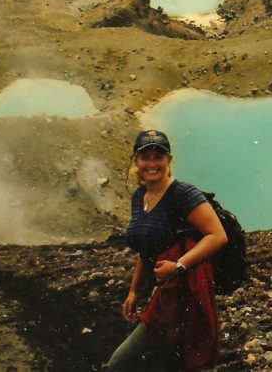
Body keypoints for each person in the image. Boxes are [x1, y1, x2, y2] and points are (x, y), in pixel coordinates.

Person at [106, 130, 228, 371]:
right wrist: (134, 292)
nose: (152, 164)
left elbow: (217, 235)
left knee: (121, 363)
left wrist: (178, 266)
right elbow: (146, 249)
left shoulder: (183, 195)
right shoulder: (139, 197)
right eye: (145, 157)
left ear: (168, 160)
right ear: (135, 161)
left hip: (186, 293)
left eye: (158, 157)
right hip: (163, 293)